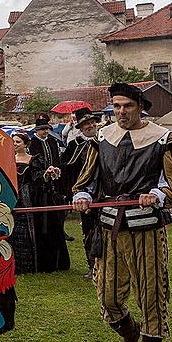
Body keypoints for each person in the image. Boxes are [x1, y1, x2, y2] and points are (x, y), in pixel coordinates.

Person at [72, 83, 172, 342]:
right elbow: (88, 179)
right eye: (116, 106)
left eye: (127, 106)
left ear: (140, 107)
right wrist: (83, 194)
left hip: (147, 231)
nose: (121, 112)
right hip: (110, 228)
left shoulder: (163, 140)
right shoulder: (102, 138)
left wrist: (159, 193)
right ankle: (129, 334)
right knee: (108, 298)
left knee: (151, 298)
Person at [60, 108, 101, 278]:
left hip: (105, 192)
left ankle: (109, 265)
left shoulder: (106, 140)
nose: (90, 125)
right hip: (84, 193)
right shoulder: (74, 145)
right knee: (89, 230)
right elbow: (67, 169)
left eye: (92, 122)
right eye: (86, 124)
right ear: (80, 127)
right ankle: (92, 266)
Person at [28, 113, 70, 273]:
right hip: (39, 191)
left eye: (46, 129)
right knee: (42, 224)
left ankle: (58, 261)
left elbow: (58, 161)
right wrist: (45, 173)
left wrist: (57, 171)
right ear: (36, 130)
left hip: (54, 189)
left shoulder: (53, 141)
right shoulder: (32, 144)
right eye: (42, 129)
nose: (45, 132)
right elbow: (33, 168)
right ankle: (44, 262)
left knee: (56, 223)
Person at [8, 132, 38, 274]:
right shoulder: (9, 159)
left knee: (25, 229)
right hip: (12, 196)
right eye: (13, 142)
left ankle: (26, 264)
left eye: (18, 142)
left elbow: (36, 177)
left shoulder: (32, 159)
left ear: (25, 144)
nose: (15, 144)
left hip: (26, 197)